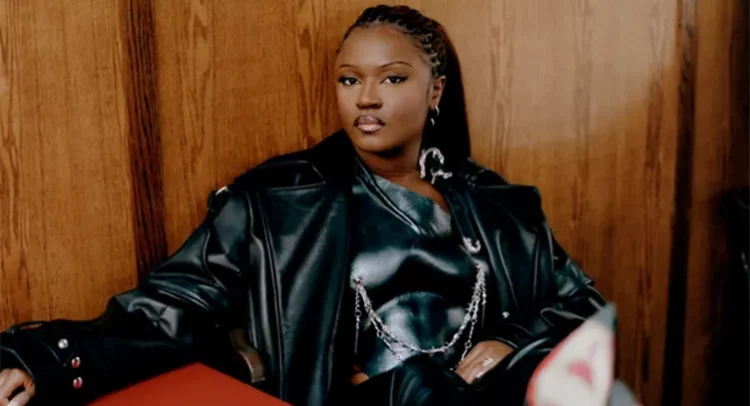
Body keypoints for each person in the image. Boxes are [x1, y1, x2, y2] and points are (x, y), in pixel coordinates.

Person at [0, 5, 606, 406]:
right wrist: (44, 361)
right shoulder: (279, 203)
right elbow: (170, 306)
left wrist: (511, 340)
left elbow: (584, 304)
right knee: (418, 387)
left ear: (435, 91)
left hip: (486, 396)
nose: (366, 98)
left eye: (393, 79)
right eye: (350, 79)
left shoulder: (493, 204)